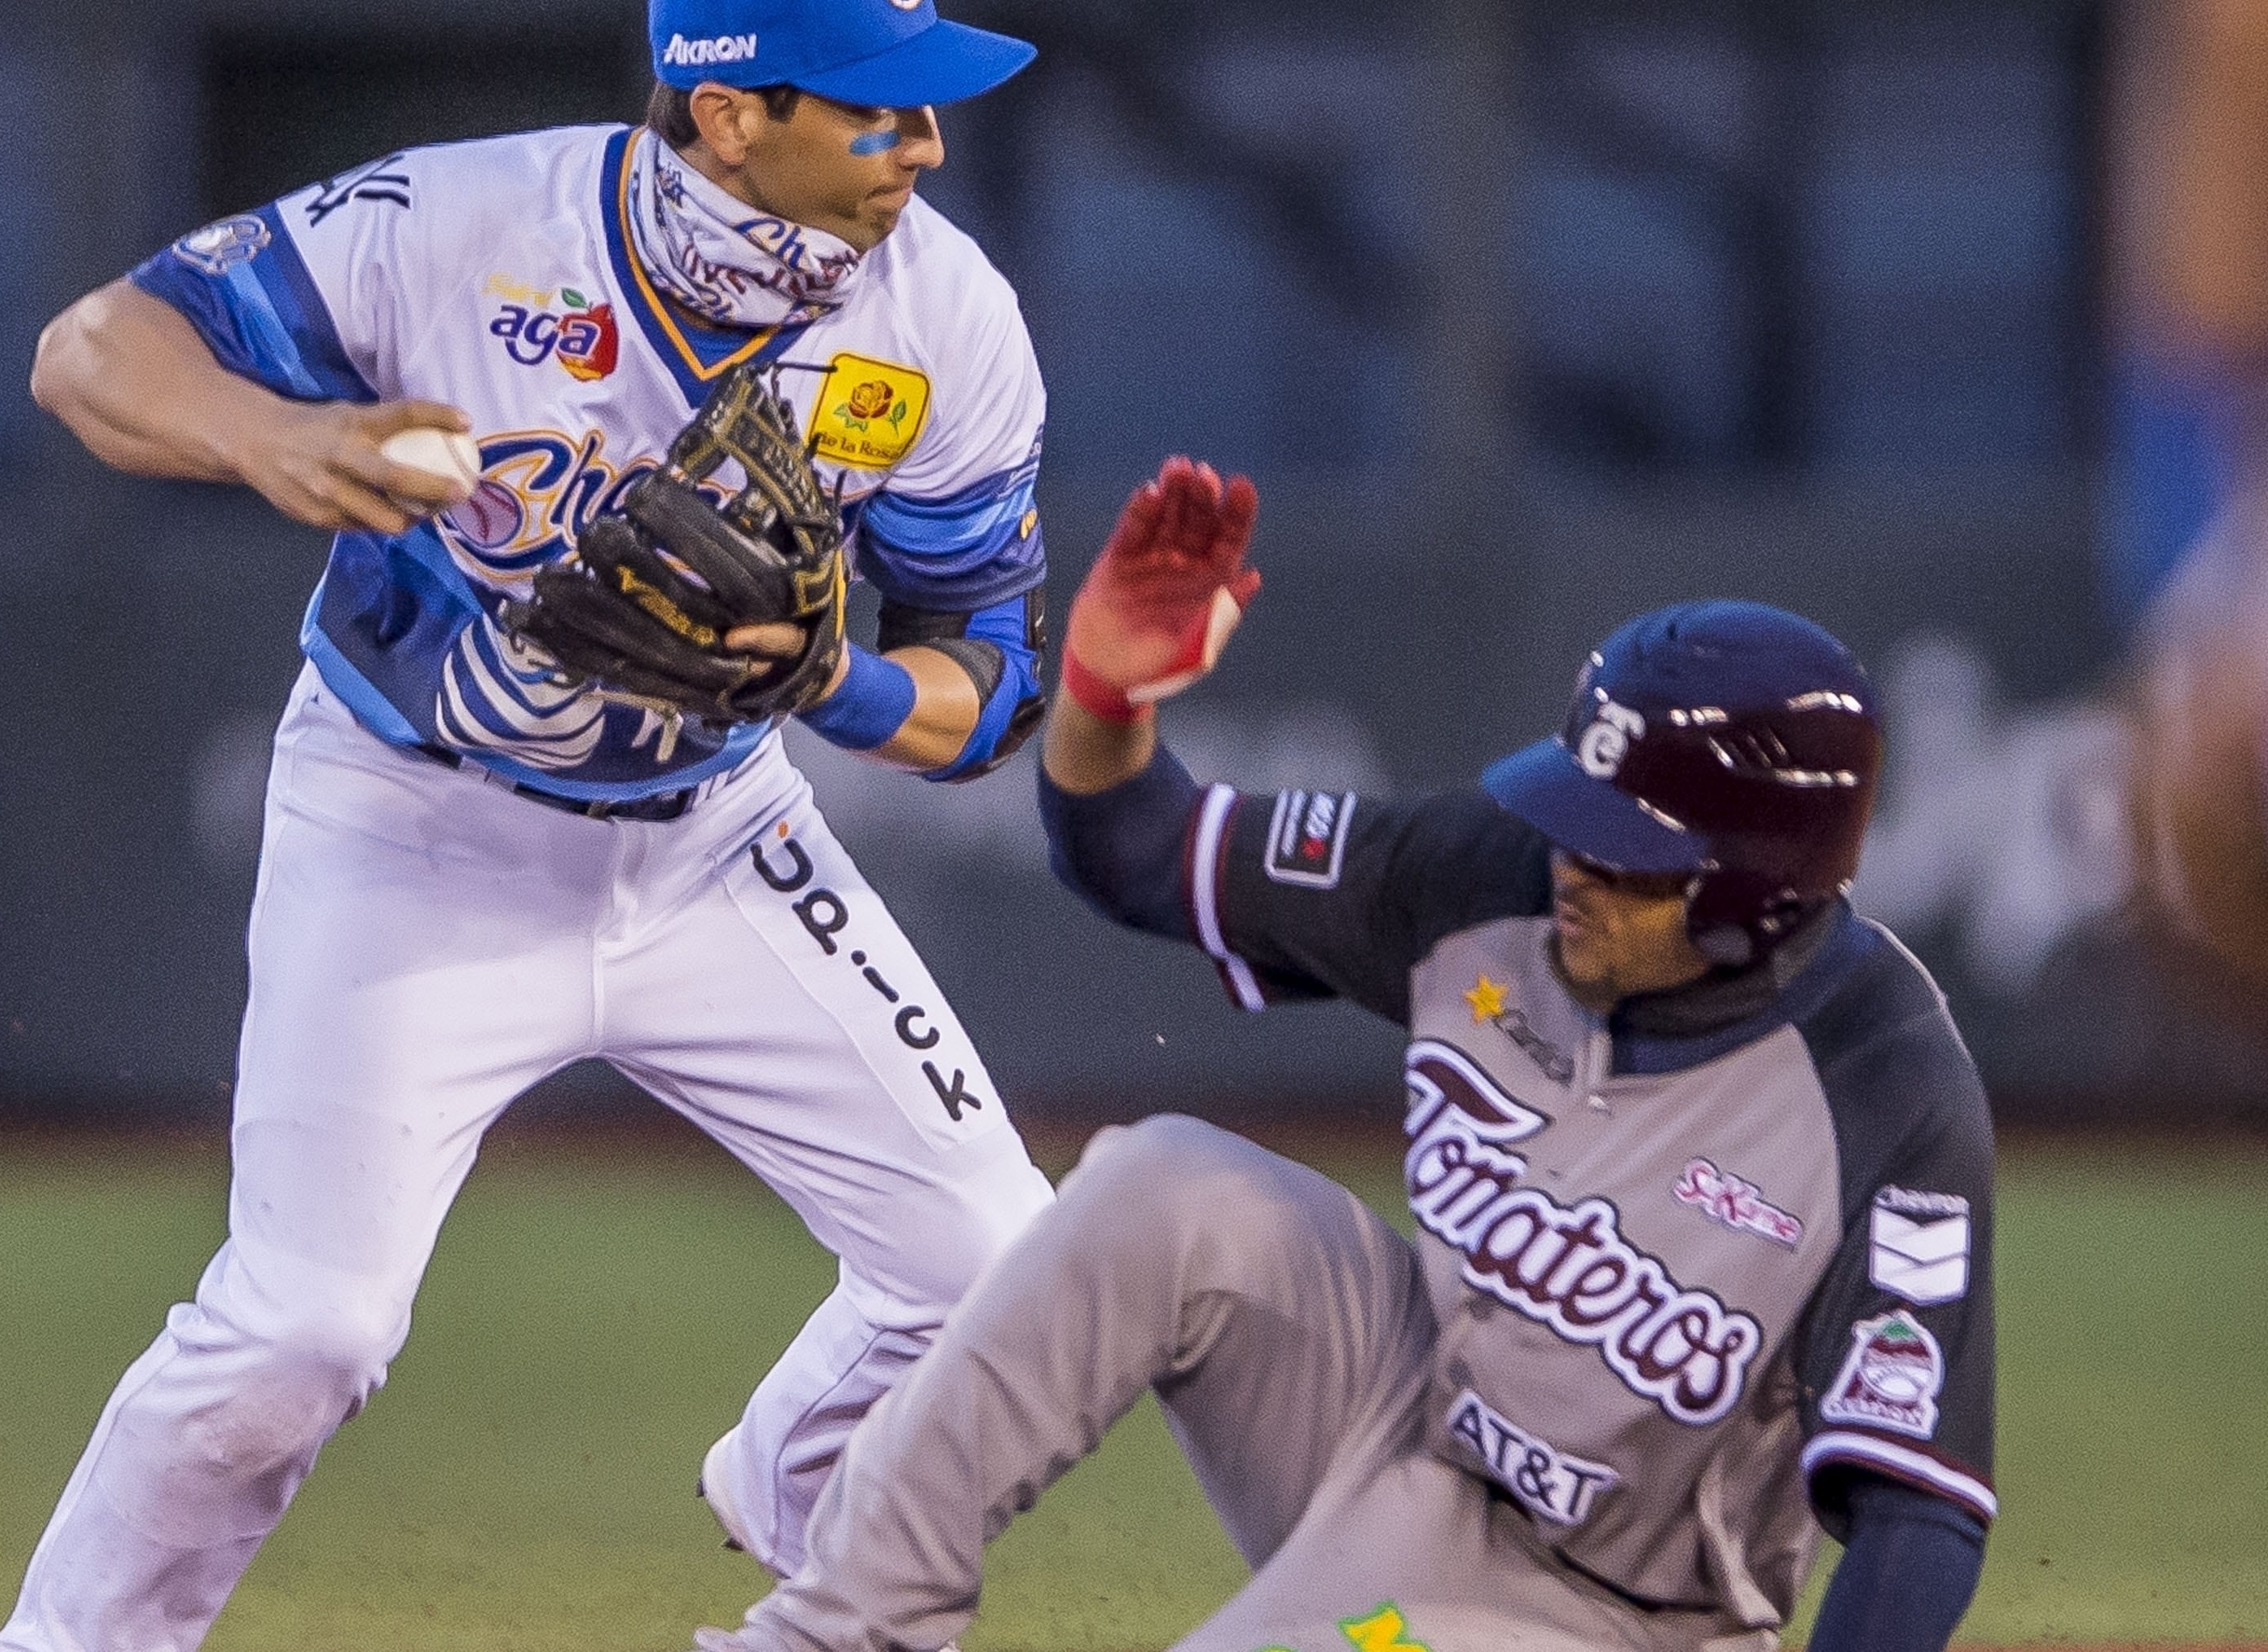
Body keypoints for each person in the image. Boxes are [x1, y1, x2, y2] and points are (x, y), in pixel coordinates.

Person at [0, 0, 1064, 1652]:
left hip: (712, 839)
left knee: (1001, 1277)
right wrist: (285, 432)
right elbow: (87, 351)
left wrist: (837, 683)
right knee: (299, 1333)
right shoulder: (466, 225)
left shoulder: (940, 321)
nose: (926, 144)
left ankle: (801, 1507)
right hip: (415, 827)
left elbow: (992, 676)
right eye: (876, 105)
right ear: (730, 111)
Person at [697, 461, 1998, 1652]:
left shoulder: (1883, 1086)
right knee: (1163, 1186)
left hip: (1621, 1614)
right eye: (1570, 820)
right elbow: (1136, 854)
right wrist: (1105, 696)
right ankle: (835, 1632)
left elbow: (1916, 1515)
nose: (1571, 869)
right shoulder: (1500, 873)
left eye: (1625, 852)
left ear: (1756, 888)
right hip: (1401, 1415)